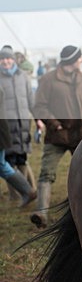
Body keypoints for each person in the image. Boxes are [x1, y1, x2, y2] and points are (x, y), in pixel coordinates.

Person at [32, 45, 82, 227]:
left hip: (80, 135)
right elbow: (39, 106)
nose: (81, 60)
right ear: (72, 60)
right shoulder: (48, 80)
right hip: (57, 135)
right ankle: (41, 213)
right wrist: (55, 124)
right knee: (46, 173)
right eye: (79, 58)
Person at [0, 45, 37, 201]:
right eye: (2, 59)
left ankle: (31, 190)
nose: (6, 61)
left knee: (22, 158)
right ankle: (15, 195)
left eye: (8, 58)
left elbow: (31, 100)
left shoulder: (23, 77)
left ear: (13, 60)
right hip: (6, 124)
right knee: (9, 159)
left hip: (23, 123)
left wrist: (37, 119)